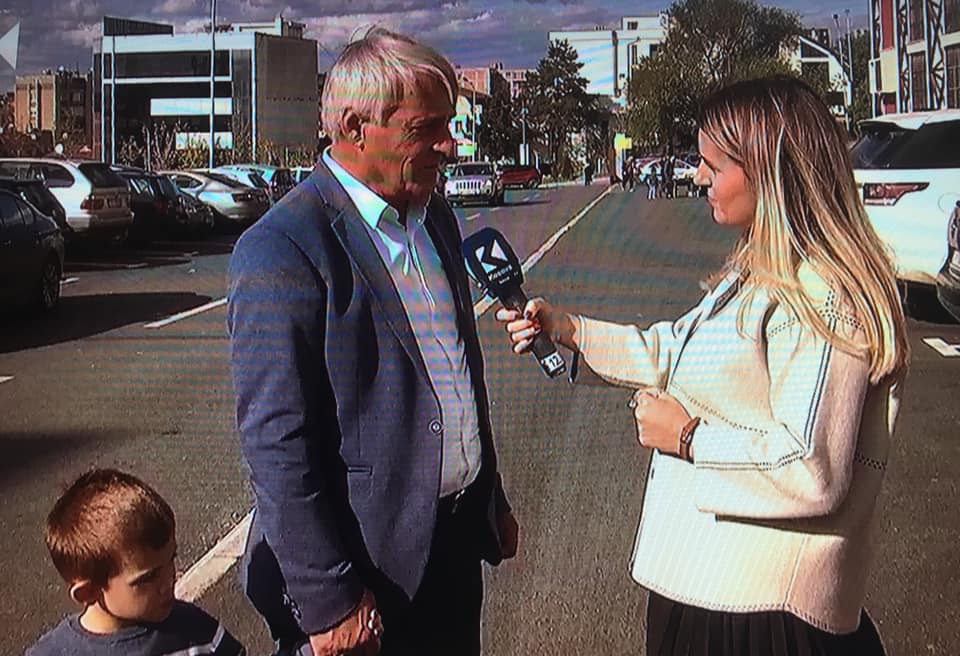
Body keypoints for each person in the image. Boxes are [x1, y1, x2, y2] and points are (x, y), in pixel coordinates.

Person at [496, 75, 908, 655]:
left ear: (770, 173)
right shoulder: (757, 271)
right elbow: (674, 350)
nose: (697, 177)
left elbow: (812, 466)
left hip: (761, 619)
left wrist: (688, 438)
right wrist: (568, 329)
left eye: (714, 165)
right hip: (714, 594)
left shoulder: (819, 291)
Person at [228, 27, 518, 656]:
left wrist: (487, 493)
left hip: (451, 550)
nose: (448, 144)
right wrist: (327, 597)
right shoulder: (282, 247)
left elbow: (454, 372)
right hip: (363, 574)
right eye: (426, 129)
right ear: (355, 128)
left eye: (448, 125)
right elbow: (276, 443)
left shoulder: (434, 217)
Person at [26, 468, 245, 656]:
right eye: (149, 577)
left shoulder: (195, 631)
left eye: (171, 559)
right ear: (89, 592)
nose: (169, 580)